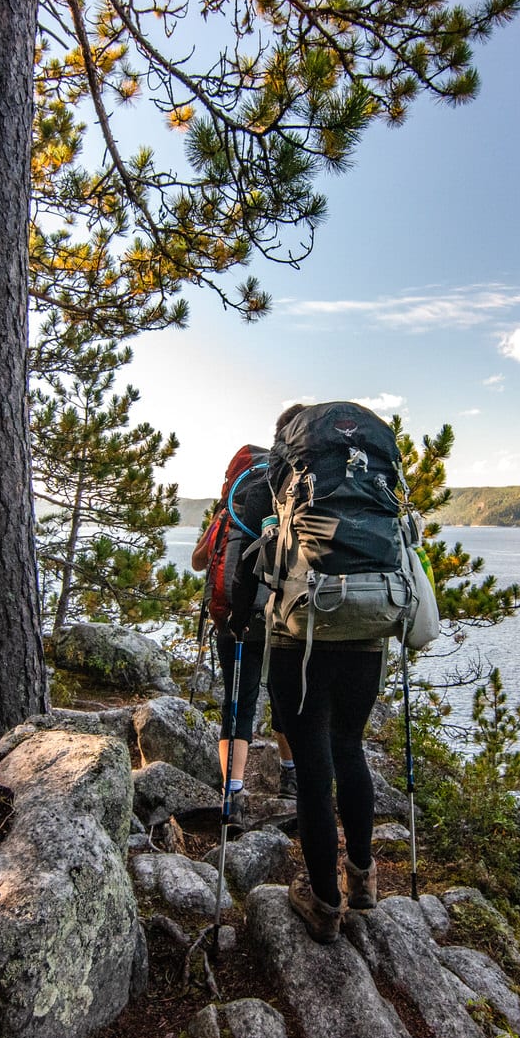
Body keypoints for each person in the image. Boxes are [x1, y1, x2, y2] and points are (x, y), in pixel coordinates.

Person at [230, 404, 383, 943]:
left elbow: (241, 562)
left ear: (286, 438)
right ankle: (362, 881)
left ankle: (322, 902)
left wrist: (237, 620)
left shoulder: (273, 476)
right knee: (350, 746)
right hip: (367, 628)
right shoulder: (365, 471)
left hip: (300, 636)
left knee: (315, 765)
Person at [192, 459, 298, 804]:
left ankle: (232, 794)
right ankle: (289, 776)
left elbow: (198, 560)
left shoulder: (227, 515)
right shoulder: (290, 510)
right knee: (286, 699)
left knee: (238, 704)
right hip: (281, 620)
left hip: (233, 619)